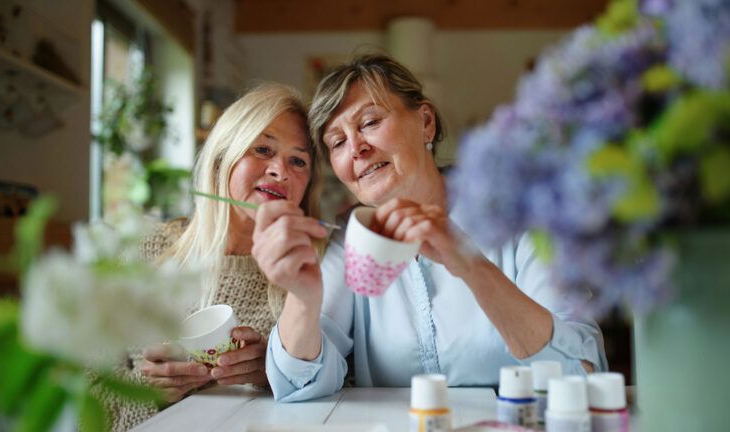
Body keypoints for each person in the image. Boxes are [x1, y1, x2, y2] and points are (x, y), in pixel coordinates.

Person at [253, 54, 608, 402]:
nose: (357, 149)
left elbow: (581, 371)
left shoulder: (520, 215)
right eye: (338, 142)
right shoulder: (351, 239)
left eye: (370, 122)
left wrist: (470, 264)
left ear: (426, 122)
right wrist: (302, 297)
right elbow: (297, 385)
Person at [110, 82, 326, 430]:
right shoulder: (141, 251)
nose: (280, 171)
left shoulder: (309, 274)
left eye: (298, 160)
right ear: (221, 159)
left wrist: (274, 372)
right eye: (262, 149)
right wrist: (150, 393)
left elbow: (336, 393)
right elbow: (78, 395)